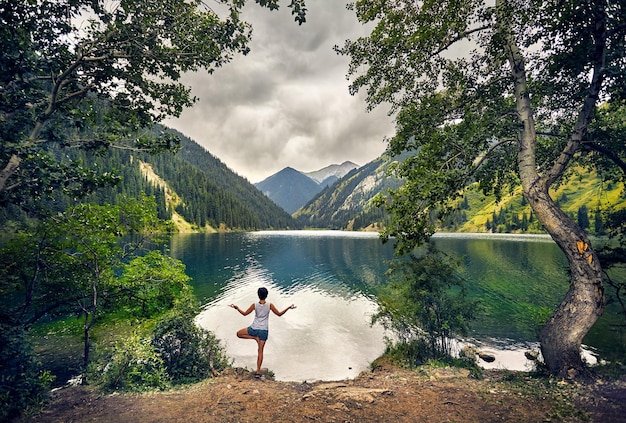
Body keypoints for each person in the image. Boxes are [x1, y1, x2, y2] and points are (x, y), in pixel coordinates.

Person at [229, 287, 296, 378]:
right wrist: (288, 307)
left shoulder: (254, 305)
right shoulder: (270, 305)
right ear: (266, 295)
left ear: (258, 295)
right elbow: (279, 314)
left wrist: (237, 308)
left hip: (254, 329)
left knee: (239, 334)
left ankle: (254, 337)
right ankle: (258, 372)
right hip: (264, 331)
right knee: (260, 351)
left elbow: (244, 314)